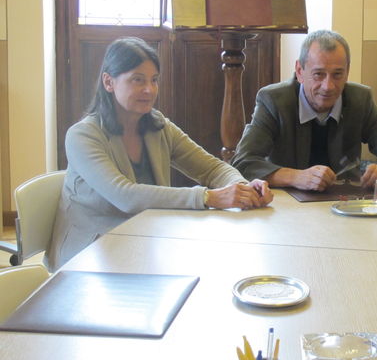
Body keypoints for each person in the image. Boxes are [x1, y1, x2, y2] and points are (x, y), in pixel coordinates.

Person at [46, 37, 273, 271]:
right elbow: (125, 196)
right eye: (137, 80)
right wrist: (209, 197)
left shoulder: (159, 126)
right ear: (108, 82)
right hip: (89, 256)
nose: (149, 89)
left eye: (154, 80)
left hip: (142, 242)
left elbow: (212, 168)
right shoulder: (82, 136)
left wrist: (243, 188)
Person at [232, 30, 377, 191]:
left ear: (347, 72)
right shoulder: (273, 101)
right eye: (318, 74)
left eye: (337, 75)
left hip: (346, 208)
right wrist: (295, 177)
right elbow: (243, 163)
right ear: (300, 71)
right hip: (289, 211)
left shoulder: (360, 100)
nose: (328, 86)